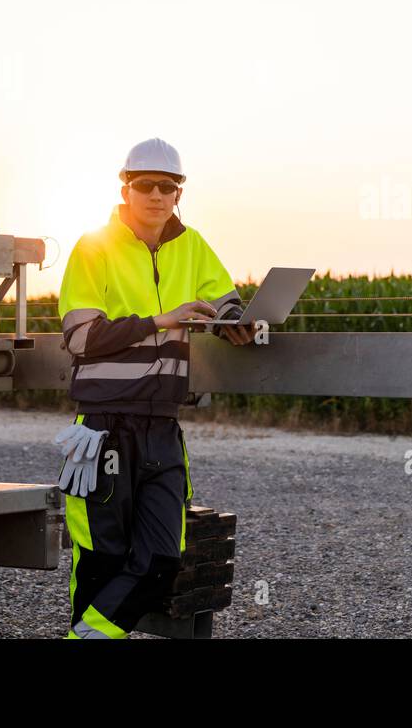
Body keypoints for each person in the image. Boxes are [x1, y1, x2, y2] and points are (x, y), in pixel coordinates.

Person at [55, 137, 253, 639]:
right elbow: (81, 337)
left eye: (169, 186)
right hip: (102, 429)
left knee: (164, 555)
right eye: (146, 184)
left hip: (163, 428)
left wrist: (238, 322)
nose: (158, 195)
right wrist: (163, 321)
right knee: (102, 557)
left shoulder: (193, 244)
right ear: (125, 188)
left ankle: (84, 638)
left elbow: (225, 299)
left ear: (179, 191)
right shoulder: (93, 246)